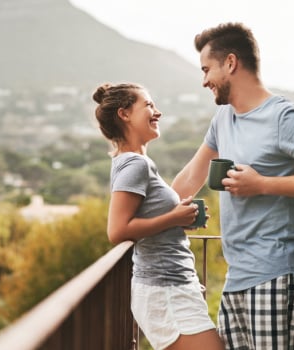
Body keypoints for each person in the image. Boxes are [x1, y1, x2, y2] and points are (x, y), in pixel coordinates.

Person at [171, 23, 294, 349]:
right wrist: (151, 215)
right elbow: (188, 181)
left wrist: (262, 184)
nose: (203, 80)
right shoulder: (223, 119)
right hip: (238, 275)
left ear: (230, 63)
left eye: (206, 69)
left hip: (279, 271)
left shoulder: (284, 117)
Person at [93, 82, 225, 350]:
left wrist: (179, 220)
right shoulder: (135, 164)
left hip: (173, 287)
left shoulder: (133, 162)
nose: (157, 112)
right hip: (165, 291)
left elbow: (142, 221)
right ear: (125, 114)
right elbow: (117, 230)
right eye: (149, 105)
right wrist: (173, 219)